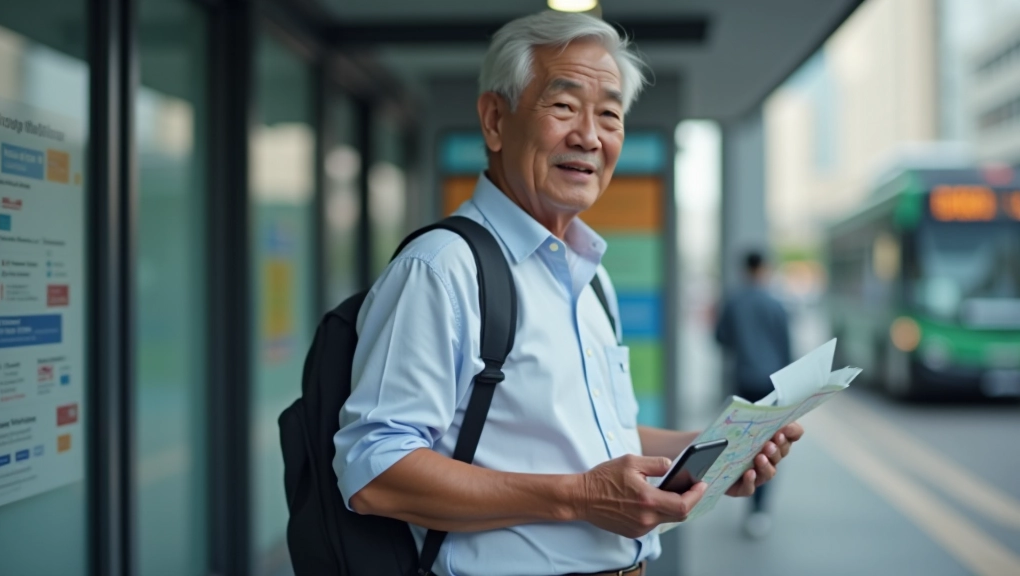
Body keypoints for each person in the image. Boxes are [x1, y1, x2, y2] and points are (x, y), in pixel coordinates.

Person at [335, 11, 803, 576]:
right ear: (494, 120)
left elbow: (600, 433)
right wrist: (577, 496)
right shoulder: (441, 269)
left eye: (609, 114)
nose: (589, 135)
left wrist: (710, 450)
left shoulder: (590, 278)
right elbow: (373, 470)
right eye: (563, 106)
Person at [715, 250, 793, 540]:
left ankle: (743, 496)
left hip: (743, 381)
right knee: (768, 444)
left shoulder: (734, 302)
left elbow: (720, 338)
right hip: (772, 384)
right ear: (765, 268)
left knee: (742, 442)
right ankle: (759, 510)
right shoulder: (776, 304)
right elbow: (786, 347)